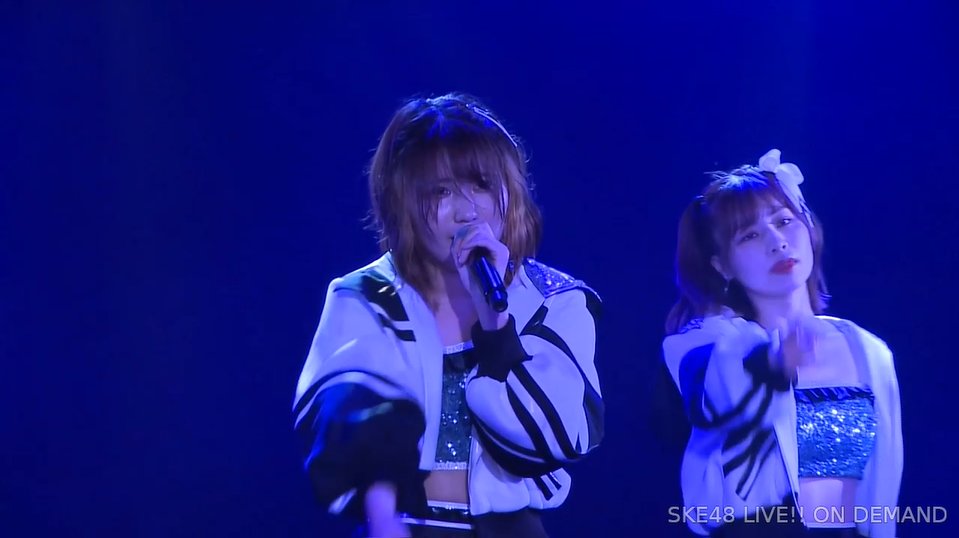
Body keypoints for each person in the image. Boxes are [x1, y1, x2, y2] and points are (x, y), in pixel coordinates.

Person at [293, 93, 604, 537]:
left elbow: (554, 436)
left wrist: (495, 324)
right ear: (402, 201)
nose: (467, 210)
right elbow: (349, 422)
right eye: (441, 191)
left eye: (481, 185)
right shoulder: (367, 297)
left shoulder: (553, 300)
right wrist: (384, 520)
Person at [661, 150, 902, 537]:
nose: (777, 242)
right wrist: (771, 365)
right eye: (750, 235)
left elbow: (882, 493)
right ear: (722, 265)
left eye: (784, 221)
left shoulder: (869, 351)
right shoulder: (708, 343)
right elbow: (715, 387)